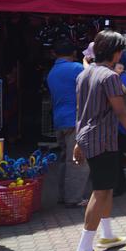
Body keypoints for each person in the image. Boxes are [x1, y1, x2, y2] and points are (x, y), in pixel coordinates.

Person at [73, 31, 126, 251]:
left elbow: (82, 112)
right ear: (116, 52)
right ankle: (84, 249)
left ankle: (106, 235)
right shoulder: (109, 77)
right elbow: (121, 112)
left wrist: (79, 140)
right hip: (103, 140)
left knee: (105, 188)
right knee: (100, 192)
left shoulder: (84, 73)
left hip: (91, 138)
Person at [46, 39, 86, 208]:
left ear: (55, 54)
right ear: (74, 53)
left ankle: (64, 195)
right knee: (77, 160)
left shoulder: (52, 72)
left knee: (64, 159)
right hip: (74, 119)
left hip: (59, 120)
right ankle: (74, 198)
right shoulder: (77, 68)